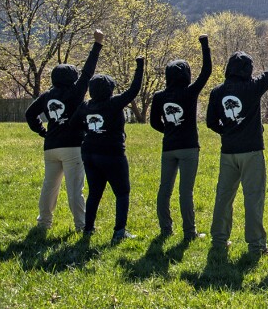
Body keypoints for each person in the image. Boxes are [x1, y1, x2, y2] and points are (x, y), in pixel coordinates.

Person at [207, 31, 268, 254]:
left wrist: (227, 131)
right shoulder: (252, 88)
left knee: (223, 197)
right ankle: (256, 245)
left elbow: (210, 122)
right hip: (251, 151)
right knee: (253, 198)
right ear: (248, 70)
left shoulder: (217, 92)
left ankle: (219, 242)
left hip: (228, 151)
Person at [25, 29, 104, 232]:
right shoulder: (76, 92)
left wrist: (42, 131)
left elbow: (29, 114)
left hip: (50, 147)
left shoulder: (46, 96)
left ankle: (43, 223)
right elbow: (88, 72)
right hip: (72, 147)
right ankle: (81, 226)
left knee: (49, 187)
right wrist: (97, 44)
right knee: (75, 189)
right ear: (72, 78)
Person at [69, 54, 144, 243]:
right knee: (122, 192)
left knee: (94, 192)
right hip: (112, 154)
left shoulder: (85, 106)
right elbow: (134, 89)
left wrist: (89, 131)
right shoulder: (114, 103)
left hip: (90, 153)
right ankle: (119, 231)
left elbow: (72, 125)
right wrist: (140, 65)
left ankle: (88, 229)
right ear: (110, 89)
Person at [150, 34, 212, 240]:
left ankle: (165, 229)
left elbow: (154, 122)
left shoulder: (159, 96)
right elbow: (206, 72)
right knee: (186, 192)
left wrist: (168, 130)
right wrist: (204, 44)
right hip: (188, 147)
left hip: (168, 146)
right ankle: (189, 232)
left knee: (164, 189)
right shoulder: (190, 92)